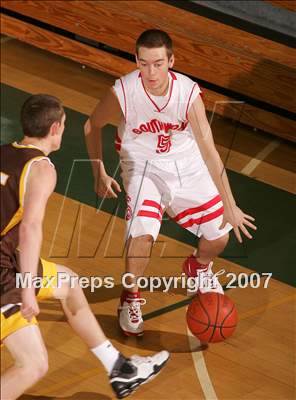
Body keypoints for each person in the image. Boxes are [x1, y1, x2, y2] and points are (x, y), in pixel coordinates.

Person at [84, 29, 257, 337]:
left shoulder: (188, 94)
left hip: (187, 165)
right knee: (142, 235)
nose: (151, 72)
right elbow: (91, 125)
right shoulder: (123, 92)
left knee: (219, 236)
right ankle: (130, 297)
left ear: (171, 61)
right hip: (143, 167)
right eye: (144, 63)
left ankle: (198, 267)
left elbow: (209, 151)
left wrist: (230, 207)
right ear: (136, 60)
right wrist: (99, 172)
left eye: (159, 63)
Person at [0, 94, 169, 400]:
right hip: (4, 276)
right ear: (54, 128)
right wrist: (26, 290)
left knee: (69, 283)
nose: (64, 130)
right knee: (33, 365)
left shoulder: (3, 152)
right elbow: (30, 227)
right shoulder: (42, 169)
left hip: (8, 262)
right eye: (64, 124)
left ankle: (118, 368)